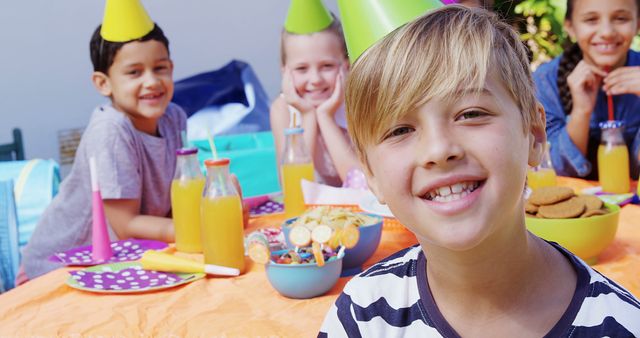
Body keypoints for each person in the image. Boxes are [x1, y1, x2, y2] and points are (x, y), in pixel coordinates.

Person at [320, 6, 640, 337]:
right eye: (399, 130)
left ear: (534, 134)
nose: (439, 150)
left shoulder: (621, 325)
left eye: (471, 113)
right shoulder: (362, 316)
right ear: (370, 173)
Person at [19, 1, 247, 281]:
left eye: (160, 68)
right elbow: (126, 225)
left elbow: (177, 200)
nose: (152, 81)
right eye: (134, 72)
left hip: (128, 259)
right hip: (60, 269)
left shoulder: (173, 117)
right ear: (104, 83)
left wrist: (217, 203)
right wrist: (197, 229)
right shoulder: (111, 131)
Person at [534, 0, 640, 180]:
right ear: (570, 27)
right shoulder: (545, 81)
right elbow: (549, 167)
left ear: (637, 24)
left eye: (621, 18)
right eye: (591, 20)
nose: (607, 32)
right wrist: (581, 112)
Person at [269, 0, 359, 187]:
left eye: (327, 66)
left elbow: (359, 182)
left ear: (346, 66)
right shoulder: (282, 110)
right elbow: (292, 187)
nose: (315, 79)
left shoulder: (359, 103)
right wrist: (308, 115)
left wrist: (326, 117)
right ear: (284, 71)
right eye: (301, 69)